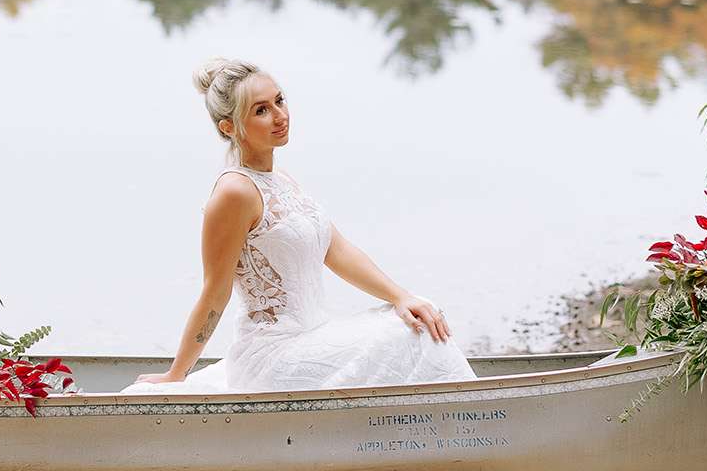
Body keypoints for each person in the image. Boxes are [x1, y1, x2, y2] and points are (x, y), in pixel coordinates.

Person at [125, 57, 476, 394]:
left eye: (279, 101)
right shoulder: (234, 192)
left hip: (314, 336)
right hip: (274, 358)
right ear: (229, 127)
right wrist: (177, 374)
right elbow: (215, 292)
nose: (280, 116)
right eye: (261, 110)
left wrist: (400, 295)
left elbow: (338, 251)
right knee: (408, 334)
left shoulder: (281, 179)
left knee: (416, 313)